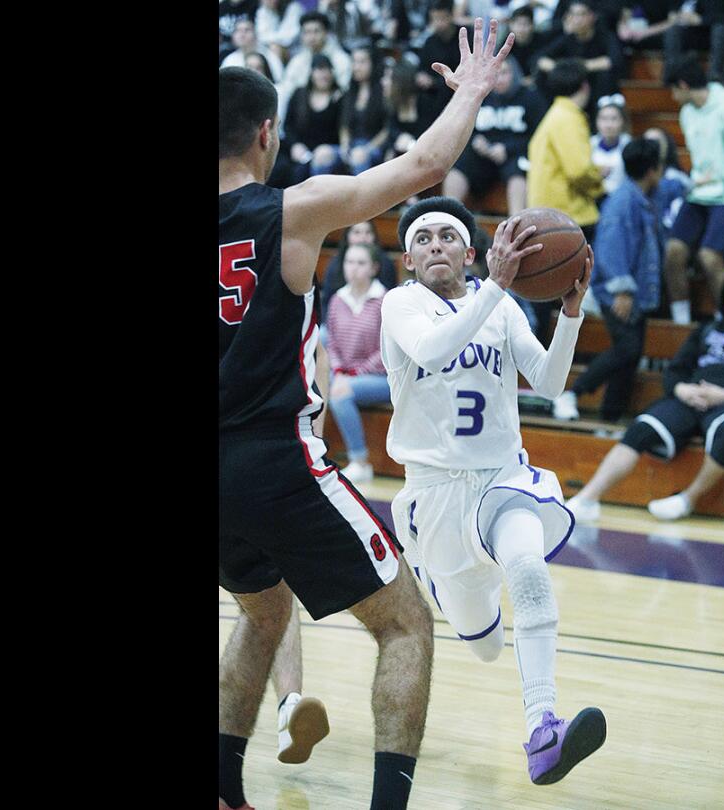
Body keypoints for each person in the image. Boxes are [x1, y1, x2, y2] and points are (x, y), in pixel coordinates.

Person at [217, 19, 516, 809]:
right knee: (406, 624)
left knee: (265, 607)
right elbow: (426, 164)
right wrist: (474, 90)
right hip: (273, 459)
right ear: (268, 133)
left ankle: (221, 788)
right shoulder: (290, 210)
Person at [380, 195, 607, 785]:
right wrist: (497, 289)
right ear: (407, 259)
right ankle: (439, 578)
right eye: (423, 238)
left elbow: (552, 383)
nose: (435, 245)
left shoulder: (500, 308)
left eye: (447, 237)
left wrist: (571, 313)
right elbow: (435, 348)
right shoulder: (400, 304)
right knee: (481, 642)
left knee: (529, 569)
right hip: (435, 499)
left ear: (471, 253)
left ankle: (542, 729)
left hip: (502, 480)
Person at [566, 263, 724, 522]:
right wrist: (681, 388)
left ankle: (688, 499)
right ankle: (587, 499)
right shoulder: (708, 328)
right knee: (640, 428)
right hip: (691, 398)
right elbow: (676, 369)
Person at [553, 139, 664, 422]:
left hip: (634, 293)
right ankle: (572, 394)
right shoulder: (623, 202)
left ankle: (609, 419)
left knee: (630, 357)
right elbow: (611, 248)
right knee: (627, 349)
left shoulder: (638, 198)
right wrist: (622, 291)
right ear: (652, 170)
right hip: (618, 292)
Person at [660, 53, 724, 324]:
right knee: (673, 252)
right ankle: (681, 324)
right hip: (701, 193)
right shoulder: (688, 112)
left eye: (673, 89)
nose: (672, 96)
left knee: (709, 258)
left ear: (683, 86)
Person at [526, 57, 603, 337]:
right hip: (569, 217)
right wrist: (599, 183)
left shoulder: (553, 114)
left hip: (548, 213)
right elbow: (579, 170)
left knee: (546, 295)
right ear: (585, 85)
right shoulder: (569, 118)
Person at [442, 55, 548, 215]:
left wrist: (508, 148)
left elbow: (540, 136)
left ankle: (516, 222)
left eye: (505, 73)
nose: (499, 79)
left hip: (514, 154)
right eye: (495, 74)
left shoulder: (530, 97)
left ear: (515, 74)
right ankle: (447, 215)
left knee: (518, 170)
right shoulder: (480, 96)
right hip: (482, 154)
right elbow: (461, 126)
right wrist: (475, 140)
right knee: (459, 167)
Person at [326, 243, 393, 483]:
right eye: (349, 262)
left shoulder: (385, 300)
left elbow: (386, 351)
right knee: (315, 386)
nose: (353, 268)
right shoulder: (337, 299)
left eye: (361, 263)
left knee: (340, 392)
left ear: (374, 268)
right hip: (343, 374)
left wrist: (353, 373)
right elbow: (331, 344)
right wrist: (337, 369)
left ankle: (360, 462)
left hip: (381, 377)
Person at [533, 0, 623, 119]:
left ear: (592, 16)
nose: (577, 19)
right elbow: (540, 59)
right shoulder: (567, 38)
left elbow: (613, 60)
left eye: (581, 14)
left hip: (594, 84)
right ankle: (546, 117)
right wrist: (563, 69)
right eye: (573, 14)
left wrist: (580, 66)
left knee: (604, 76)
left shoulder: (605, 36)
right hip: (571, 83)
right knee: (542, 76)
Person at [282, 54, 345, 182]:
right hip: (300, 150)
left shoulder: (339, 98)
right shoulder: (299, 94)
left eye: (327, 70)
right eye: (319, 70)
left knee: (315, 163)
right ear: (311, 73)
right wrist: (294, 145)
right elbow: (287, 126)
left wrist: (338, 103)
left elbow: (342, 130)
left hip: (327, 151)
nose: (324, 75)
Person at [340, 47, 391, 175]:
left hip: (375, 146)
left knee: (359, 155)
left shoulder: (383, 91)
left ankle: (358, 195)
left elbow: (388, 128)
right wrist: (344, 145)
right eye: (354, 62)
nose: (356, 67)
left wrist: (368, 149)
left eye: (362, 62)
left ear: (373, 63)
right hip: (352, 144)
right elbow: (344, 124)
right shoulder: (349, 92)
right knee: (322, 153)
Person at [589, 92, 631, 197]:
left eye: (614, 119)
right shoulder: (589, 144)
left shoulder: (629, 145)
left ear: (623, 121)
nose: (608, 125)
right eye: (603, 119)